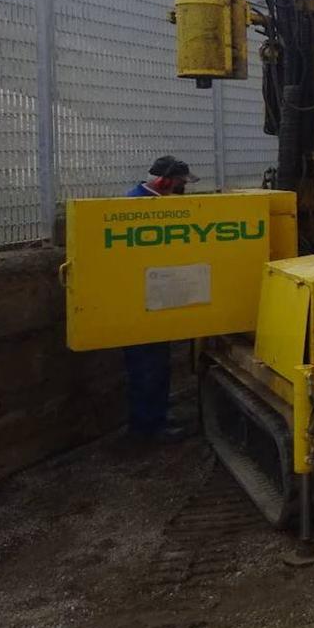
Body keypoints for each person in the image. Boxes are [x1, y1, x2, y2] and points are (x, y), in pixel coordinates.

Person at [123, 156, 199, 442]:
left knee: (158, 364)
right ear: (165, 182)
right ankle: (147, 429)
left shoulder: (156, 203)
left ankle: (157, 416)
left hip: (156, 299)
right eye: (181, 183)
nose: (184, 189)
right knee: (147, 367)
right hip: (140, 304)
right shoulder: (137, 207)